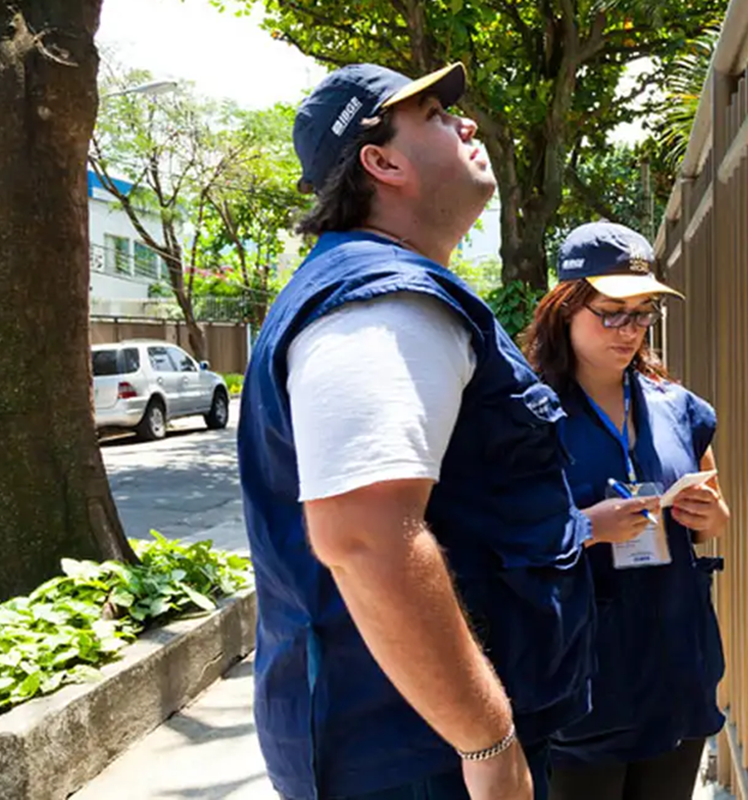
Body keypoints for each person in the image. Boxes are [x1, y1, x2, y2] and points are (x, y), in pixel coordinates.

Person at [237, 63, 608, 800]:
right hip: (418, 761)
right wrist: (488, 744)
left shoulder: (381, 288)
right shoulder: (380, 301)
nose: (466, 124)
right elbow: (363, 535)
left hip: (409, 746)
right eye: (436, 114)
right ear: (381, 162)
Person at [521, 222, 731, 800]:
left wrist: (708, 516)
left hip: (675, 671)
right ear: (565, 308)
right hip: (581, 681)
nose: (629, 330)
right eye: (611, 312)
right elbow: (498, 539)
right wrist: (589, 527)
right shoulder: (528, 416)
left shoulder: (676, 406)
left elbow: (719, 518)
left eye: (642, 314)